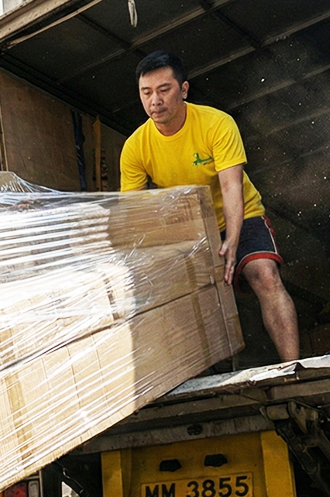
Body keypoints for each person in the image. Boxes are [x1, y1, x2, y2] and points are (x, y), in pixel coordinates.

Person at [119, 50, 300, 362]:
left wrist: (231, 238)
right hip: (190, 228)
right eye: (146, 93)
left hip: (241, 214)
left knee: (264, 275)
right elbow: (135, 214)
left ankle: (292, 366)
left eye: (164, 90)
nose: (155, 101)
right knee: (191, 301)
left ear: (184, 89)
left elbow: (231, 185)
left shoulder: (217, 124)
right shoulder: (135, 147)